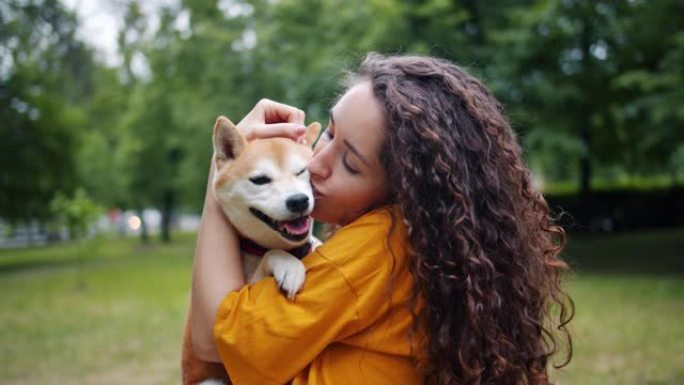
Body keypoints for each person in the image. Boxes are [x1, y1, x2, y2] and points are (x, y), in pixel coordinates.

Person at [190, 53, 574, 385]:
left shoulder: (378, 245)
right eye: (330, 132)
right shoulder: (424, 241)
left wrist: (221, 175)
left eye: (350, 163)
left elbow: (219, 340)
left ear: (401, 190)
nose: (315, 164)